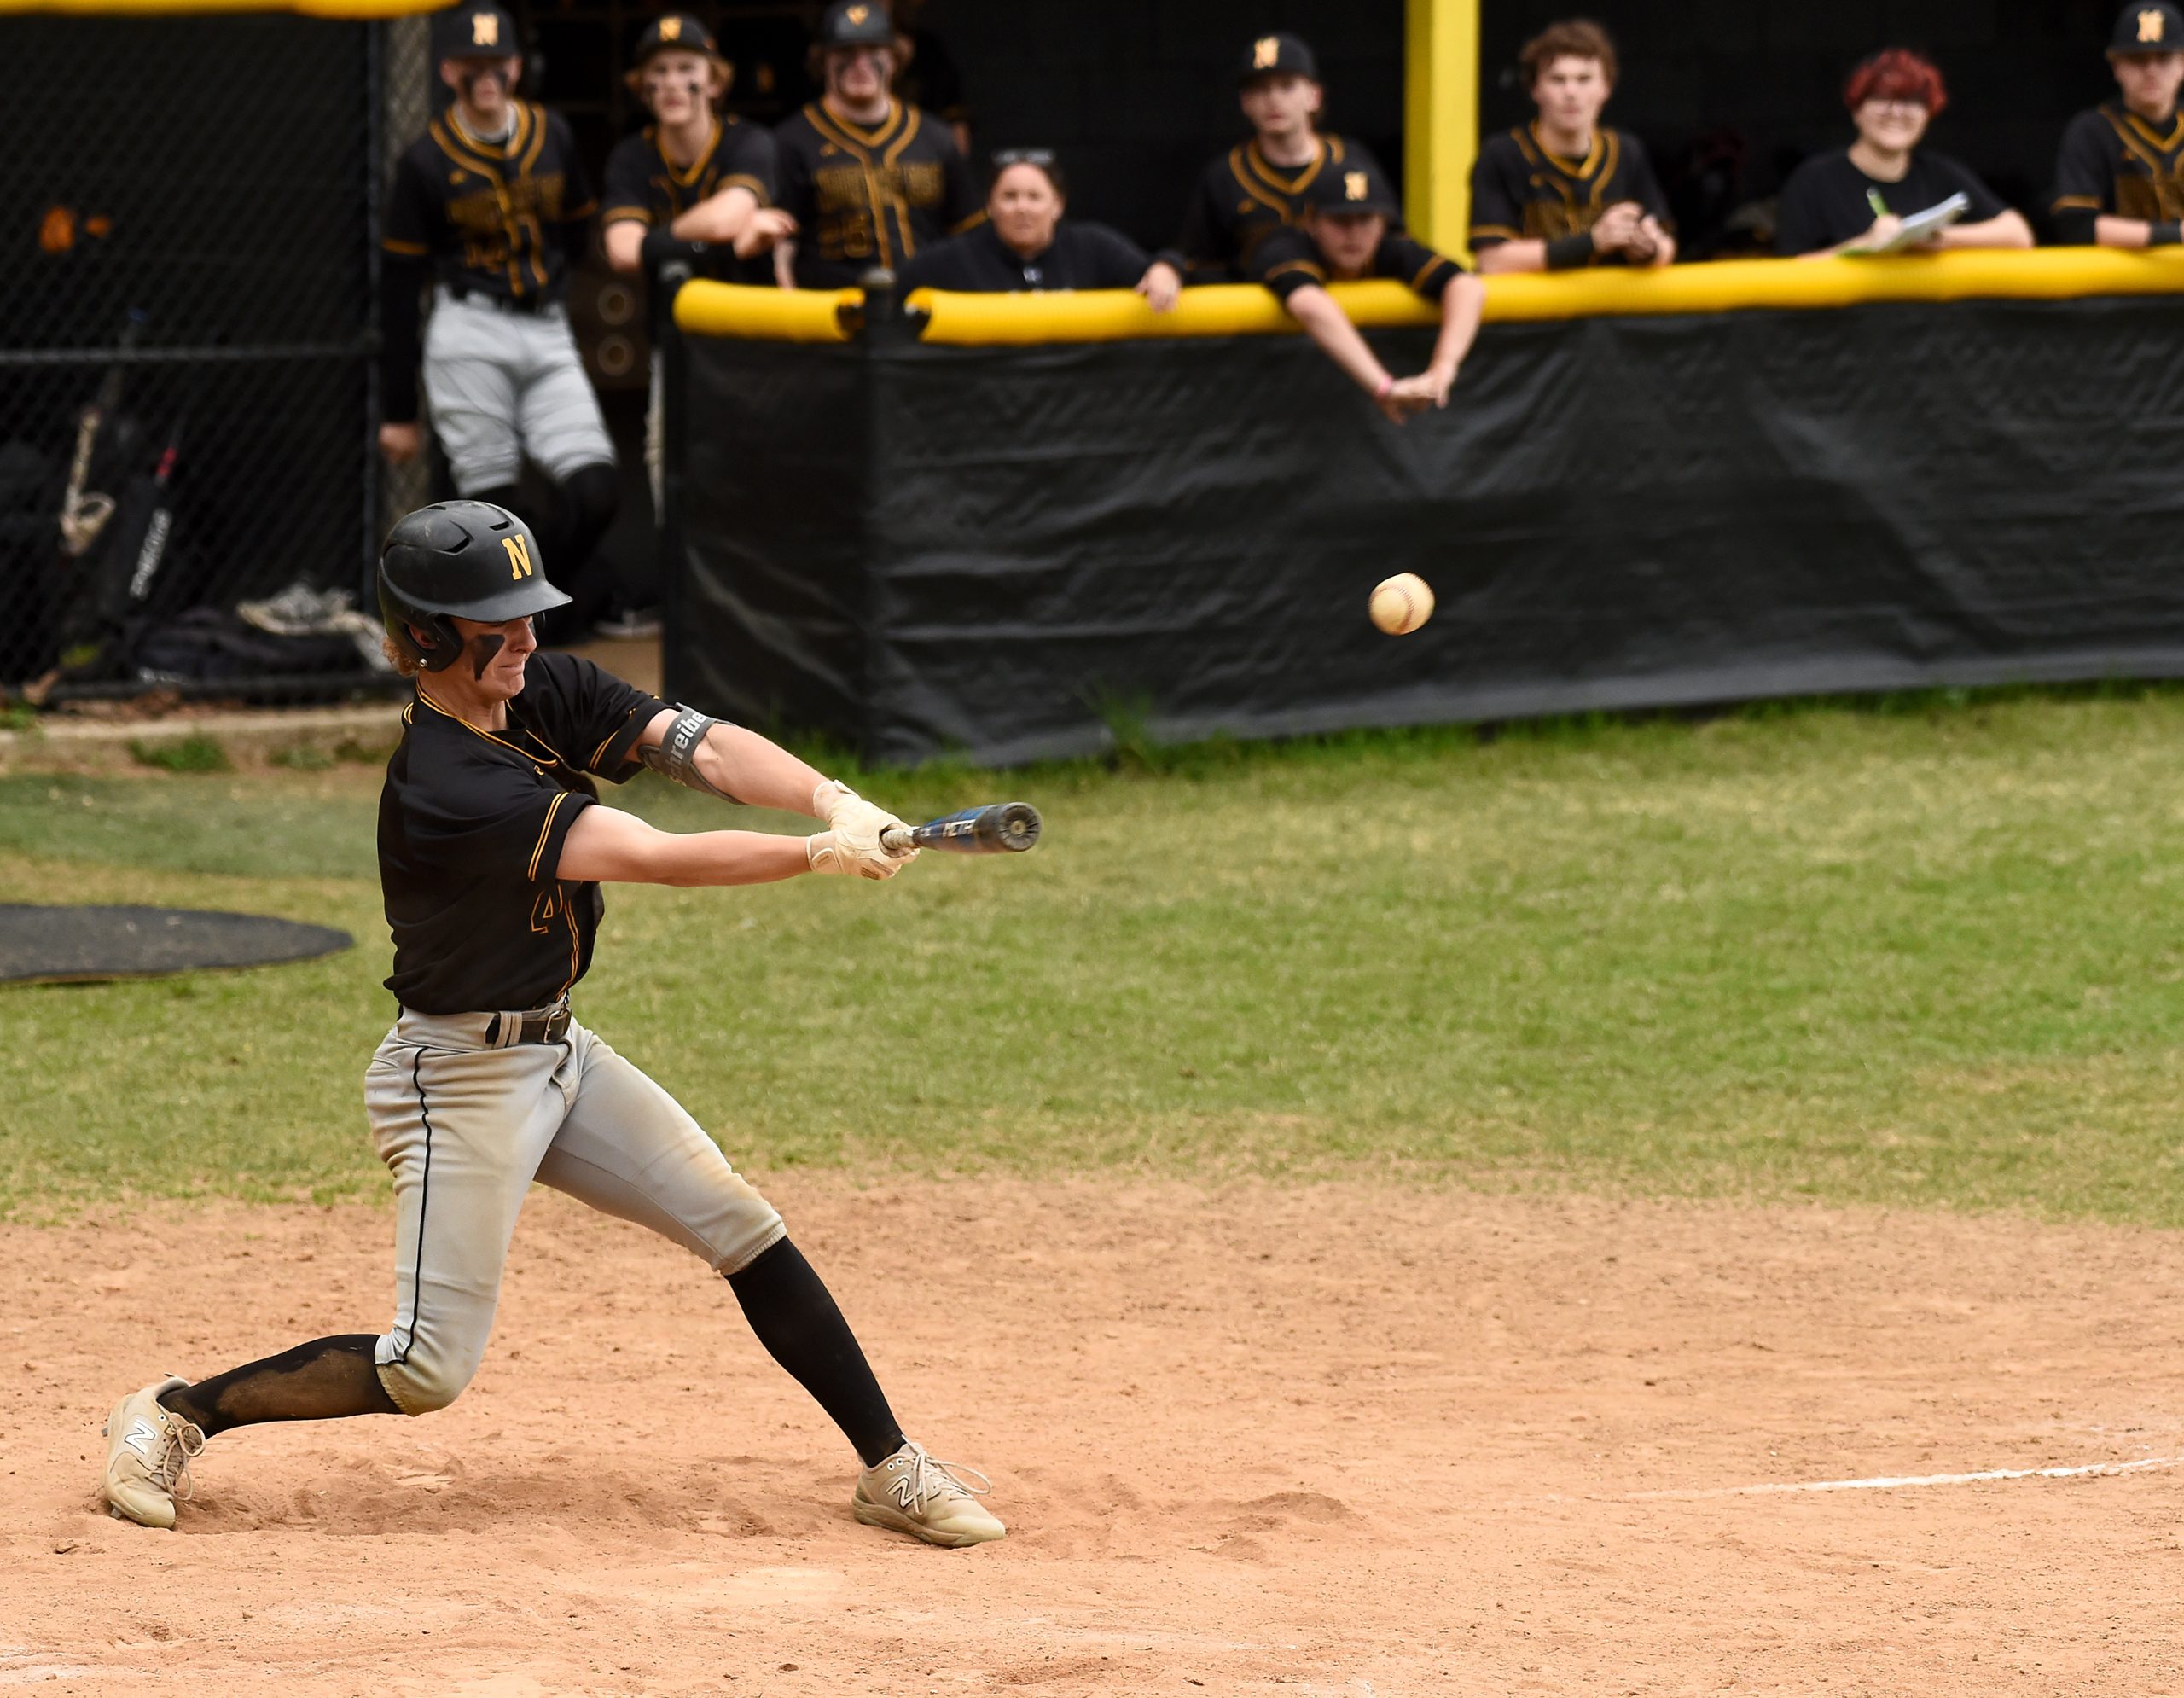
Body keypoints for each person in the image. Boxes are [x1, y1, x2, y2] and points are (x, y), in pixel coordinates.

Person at [97, 499, 1007, 1550]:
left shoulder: (541, 691)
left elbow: (701, 750)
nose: (529, 637)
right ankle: (174, 1413)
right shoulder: (446, 782)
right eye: (501, 621)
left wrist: (829, 799)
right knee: (425, 1369)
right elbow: (649, 852)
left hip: (558, 1052)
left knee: (740, 1224)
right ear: (430, 637)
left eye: (531, 614)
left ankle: (892, 1465)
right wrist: (814, 856)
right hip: (458, 1078)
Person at [379, 3, 619, 647]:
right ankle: (492, 639)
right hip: (468, 330)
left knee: (596, 490)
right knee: (498, 513)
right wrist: (399, 409)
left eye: (497, 64)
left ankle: (541, 620)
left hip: (543, 326)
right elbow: (400, 286)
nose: (486, 78)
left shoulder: (553, 135)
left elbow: (574, 229)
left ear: (517, 66)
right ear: (450, 69)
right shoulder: (424, 160)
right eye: (472, 66)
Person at [601, 15, 791, 517]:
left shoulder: (749, 142)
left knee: (751, 458)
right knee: (666, 456)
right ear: (643, 86)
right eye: (657, 71)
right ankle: (678, 591)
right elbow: (623, 251)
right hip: (674, 332)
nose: (670, 83)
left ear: (714, 80)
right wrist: (722, 242)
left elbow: (729, 214)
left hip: (748, 331)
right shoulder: (631, 157)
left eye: (686, 67)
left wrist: (659, 241)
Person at [1137, 33, 1383, 311]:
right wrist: (1168, 266)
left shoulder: (1351, 162)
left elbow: (1392, 245)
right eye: (1261, 89)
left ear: (1314, 96)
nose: (1273, 99)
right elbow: (1194, 257)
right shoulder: (1224, 175)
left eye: (1286, 86)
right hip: (1259, 335)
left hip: (1351, 315)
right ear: (1245, 102)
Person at [1252, 158, 1485, 427]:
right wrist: (1384, 388)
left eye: (1365, 219)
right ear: (1310, 222)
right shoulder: (1285, 246)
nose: (1354, 233)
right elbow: (1309, 304)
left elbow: (1467, 287)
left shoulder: (1388, 248)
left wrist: (1443, 369)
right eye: (1340, 221)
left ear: (1384, 222)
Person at [771, 0, 981, 289]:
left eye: (873, 51)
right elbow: (782, 245)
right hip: (832, 311)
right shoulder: (791, 140)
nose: (861, 64)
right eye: (846, 52)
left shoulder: (936, 136)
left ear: (895, 59)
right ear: (823, 61)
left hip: (925, 305)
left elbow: (968, 233)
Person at [1467, 19, 1676, 272]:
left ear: (1606, 87)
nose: (1571, 92)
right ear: (1535, 89)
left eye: (1584, 79)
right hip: (1530, 310)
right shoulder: (1501, 154)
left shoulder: (1627, 151)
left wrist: (1647, 248)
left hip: (1611, 309)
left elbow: (1666, 246)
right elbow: (1492, 261)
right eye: (1557, 79)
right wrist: (1593, 241)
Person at [1775, 51, 2030, 256]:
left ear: (1927, 115)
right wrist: (1866, 244)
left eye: (1912, 101)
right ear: (1857, 110)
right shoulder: (1814, 180)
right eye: (1881, 98)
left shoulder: (1940, 172)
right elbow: (1789, 273)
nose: (1896, 112)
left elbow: (2019, 235)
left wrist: (1937, 238)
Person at [896, 151, 1148, 294]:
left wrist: (1167, 268)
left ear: (1057, 205)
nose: (1022, 208)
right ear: (989, 206)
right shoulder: (956, 257)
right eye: (1009, 197)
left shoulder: (1092, 246)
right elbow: (895, 289)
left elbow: (1157, 273)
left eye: (1034, 197)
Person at [2051, 0, 2184, 246]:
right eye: (2137, 59)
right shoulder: (2091, 131)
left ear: (2182, 64)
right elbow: (2075, 226)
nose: (2151, 70)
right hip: (2119, 282)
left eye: (2164, 58)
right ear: (2116, 66)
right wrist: (2174, 236)